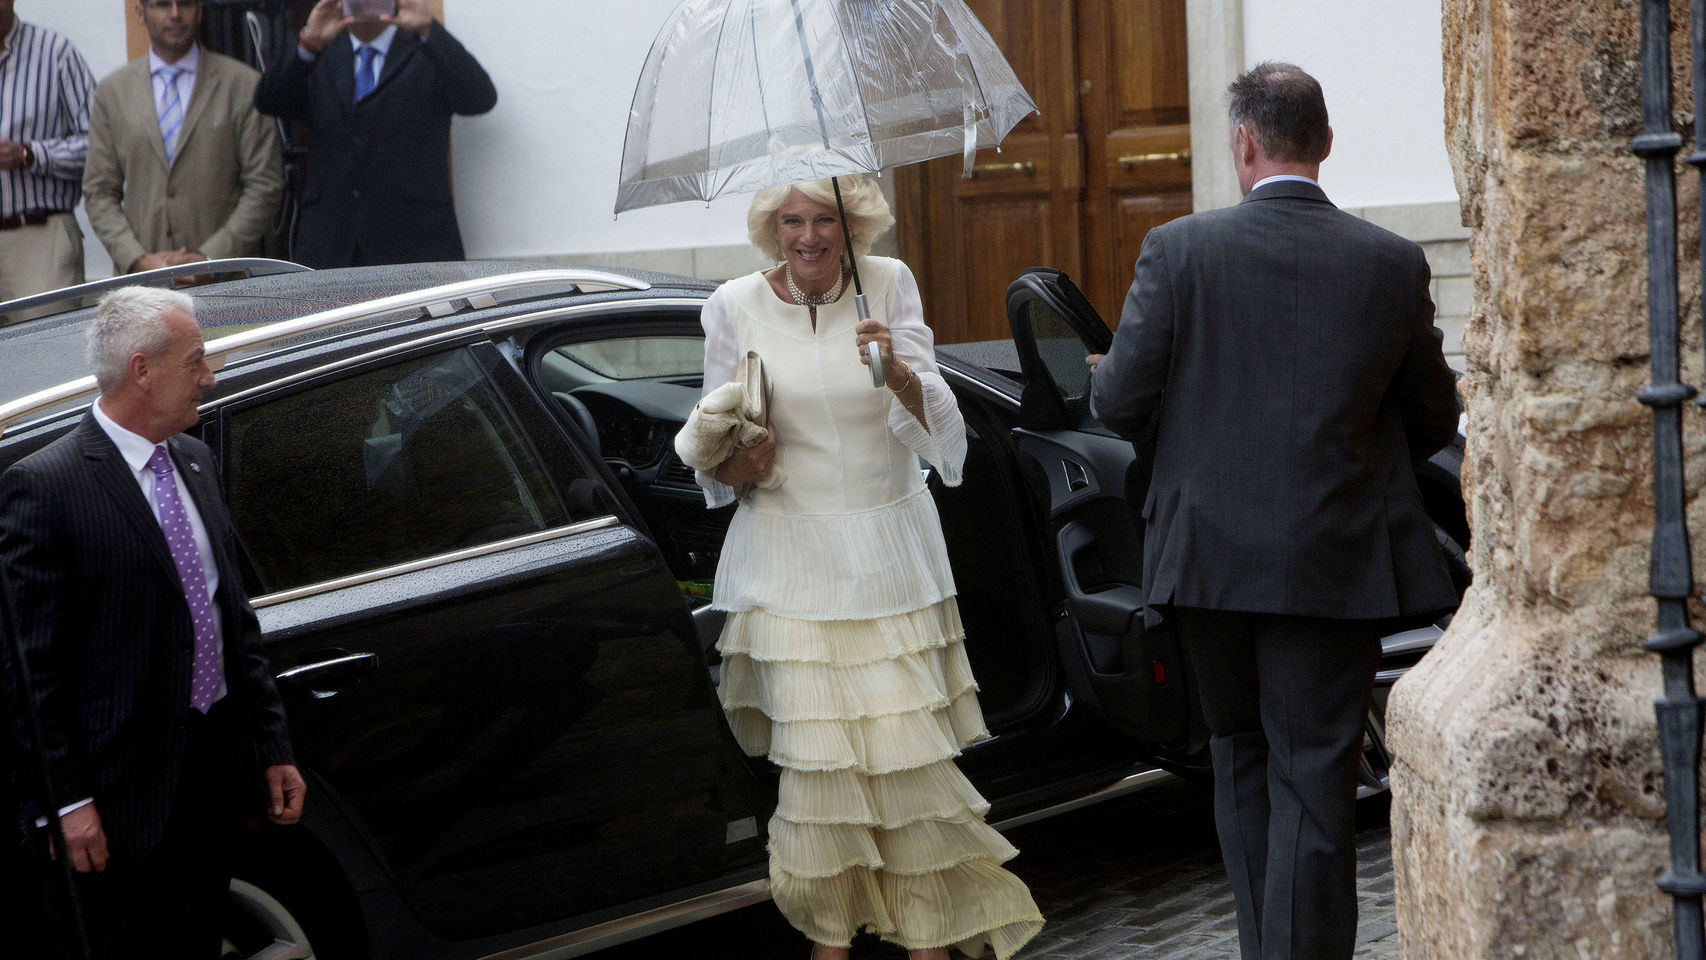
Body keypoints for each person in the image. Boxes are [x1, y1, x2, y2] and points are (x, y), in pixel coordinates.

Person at [1088, 62, 1460, 960]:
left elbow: (1116, 408)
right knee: (1315, 778)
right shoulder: (1390, 260)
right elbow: (1434, 415)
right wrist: (1353, 473)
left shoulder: (1177, 250)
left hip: (1209, 561)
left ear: (1242, 144)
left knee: (1240, 758)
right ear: (1325, 144)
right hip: (1333, 560)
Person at [688, 175, 1043, 960]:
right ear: (770, 229)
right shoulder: (732, 305)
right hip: (787, 560)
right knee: (820, 774)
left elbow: (944, 439)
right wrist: (747, 457)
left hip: (887, 554)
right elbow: (712, 473)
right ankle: (831, 938)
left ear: (855, 227)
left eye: (825, 221)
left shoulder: (889, 282)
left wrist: (903, 372)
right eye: (792, 222)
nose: (809, 238)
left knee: (904, 759)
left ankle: (929, 936)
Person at [0, 287, 306, 960]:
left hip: (208, 786)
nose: (210, 376)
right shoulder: (46, 488)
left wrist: (272, 746)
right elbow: (28, 673)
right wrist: (63, 802)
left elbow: (235, 624)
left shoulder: (195, 463)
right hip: (111, 808)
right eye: (197, 360)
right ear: (142, 370)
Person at [253, 0, 495, 268]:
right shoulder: (321, 50)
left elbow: (480, 98)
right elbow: (269, 100)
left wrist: (429, 29)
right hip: (332, 245)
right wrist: (309, 41)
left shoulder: (425, 48)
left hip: (415, 244)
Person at [82, 0, 284, 277]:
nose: (175, 14)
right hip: (142, 286)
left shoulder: (243, 85)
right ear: (140, 13)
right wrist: (136, 259)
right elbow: (99, 191)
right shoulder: (112, 92)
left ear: (200, 11)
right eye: (162, 4)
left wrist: (211, 258)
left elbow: (265, 184)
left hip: (226, 282)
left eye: (185, 4)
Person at [0, 0, 95, 322]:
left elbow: (99, 146)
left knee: (44, 360)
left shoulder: (56, 54)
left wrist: (31, 155)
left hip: (39, 238)